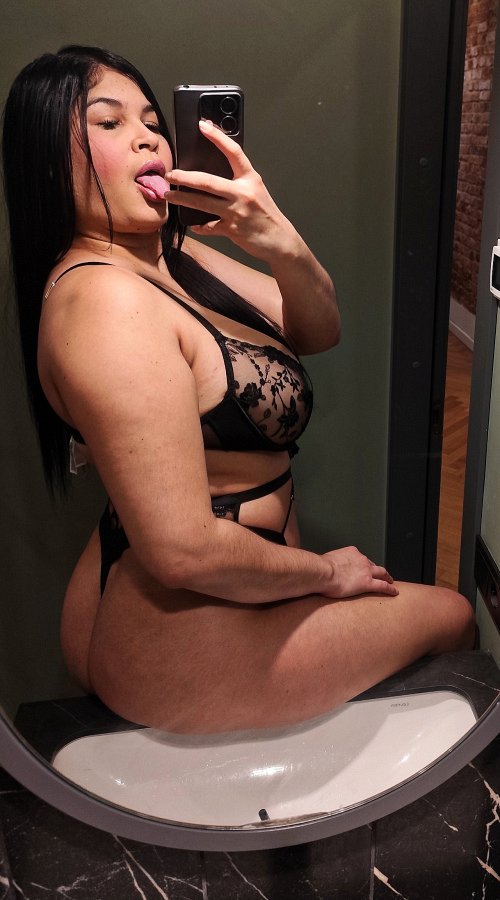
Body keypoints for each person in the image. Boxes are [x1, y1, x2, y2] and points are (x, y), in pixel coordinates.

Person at [2, 46, 475, 734]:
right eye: (109, 123)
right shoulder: (107, 303)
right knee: (455, 617)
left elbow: (318, 329)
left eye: (153, 122)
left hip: (211, 588)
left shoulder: (169, 254)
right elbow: (183, 550)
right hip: (184, 627)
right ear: (49, 161)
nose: (149, 138)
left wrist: (279, 240)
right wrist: (324, 574)